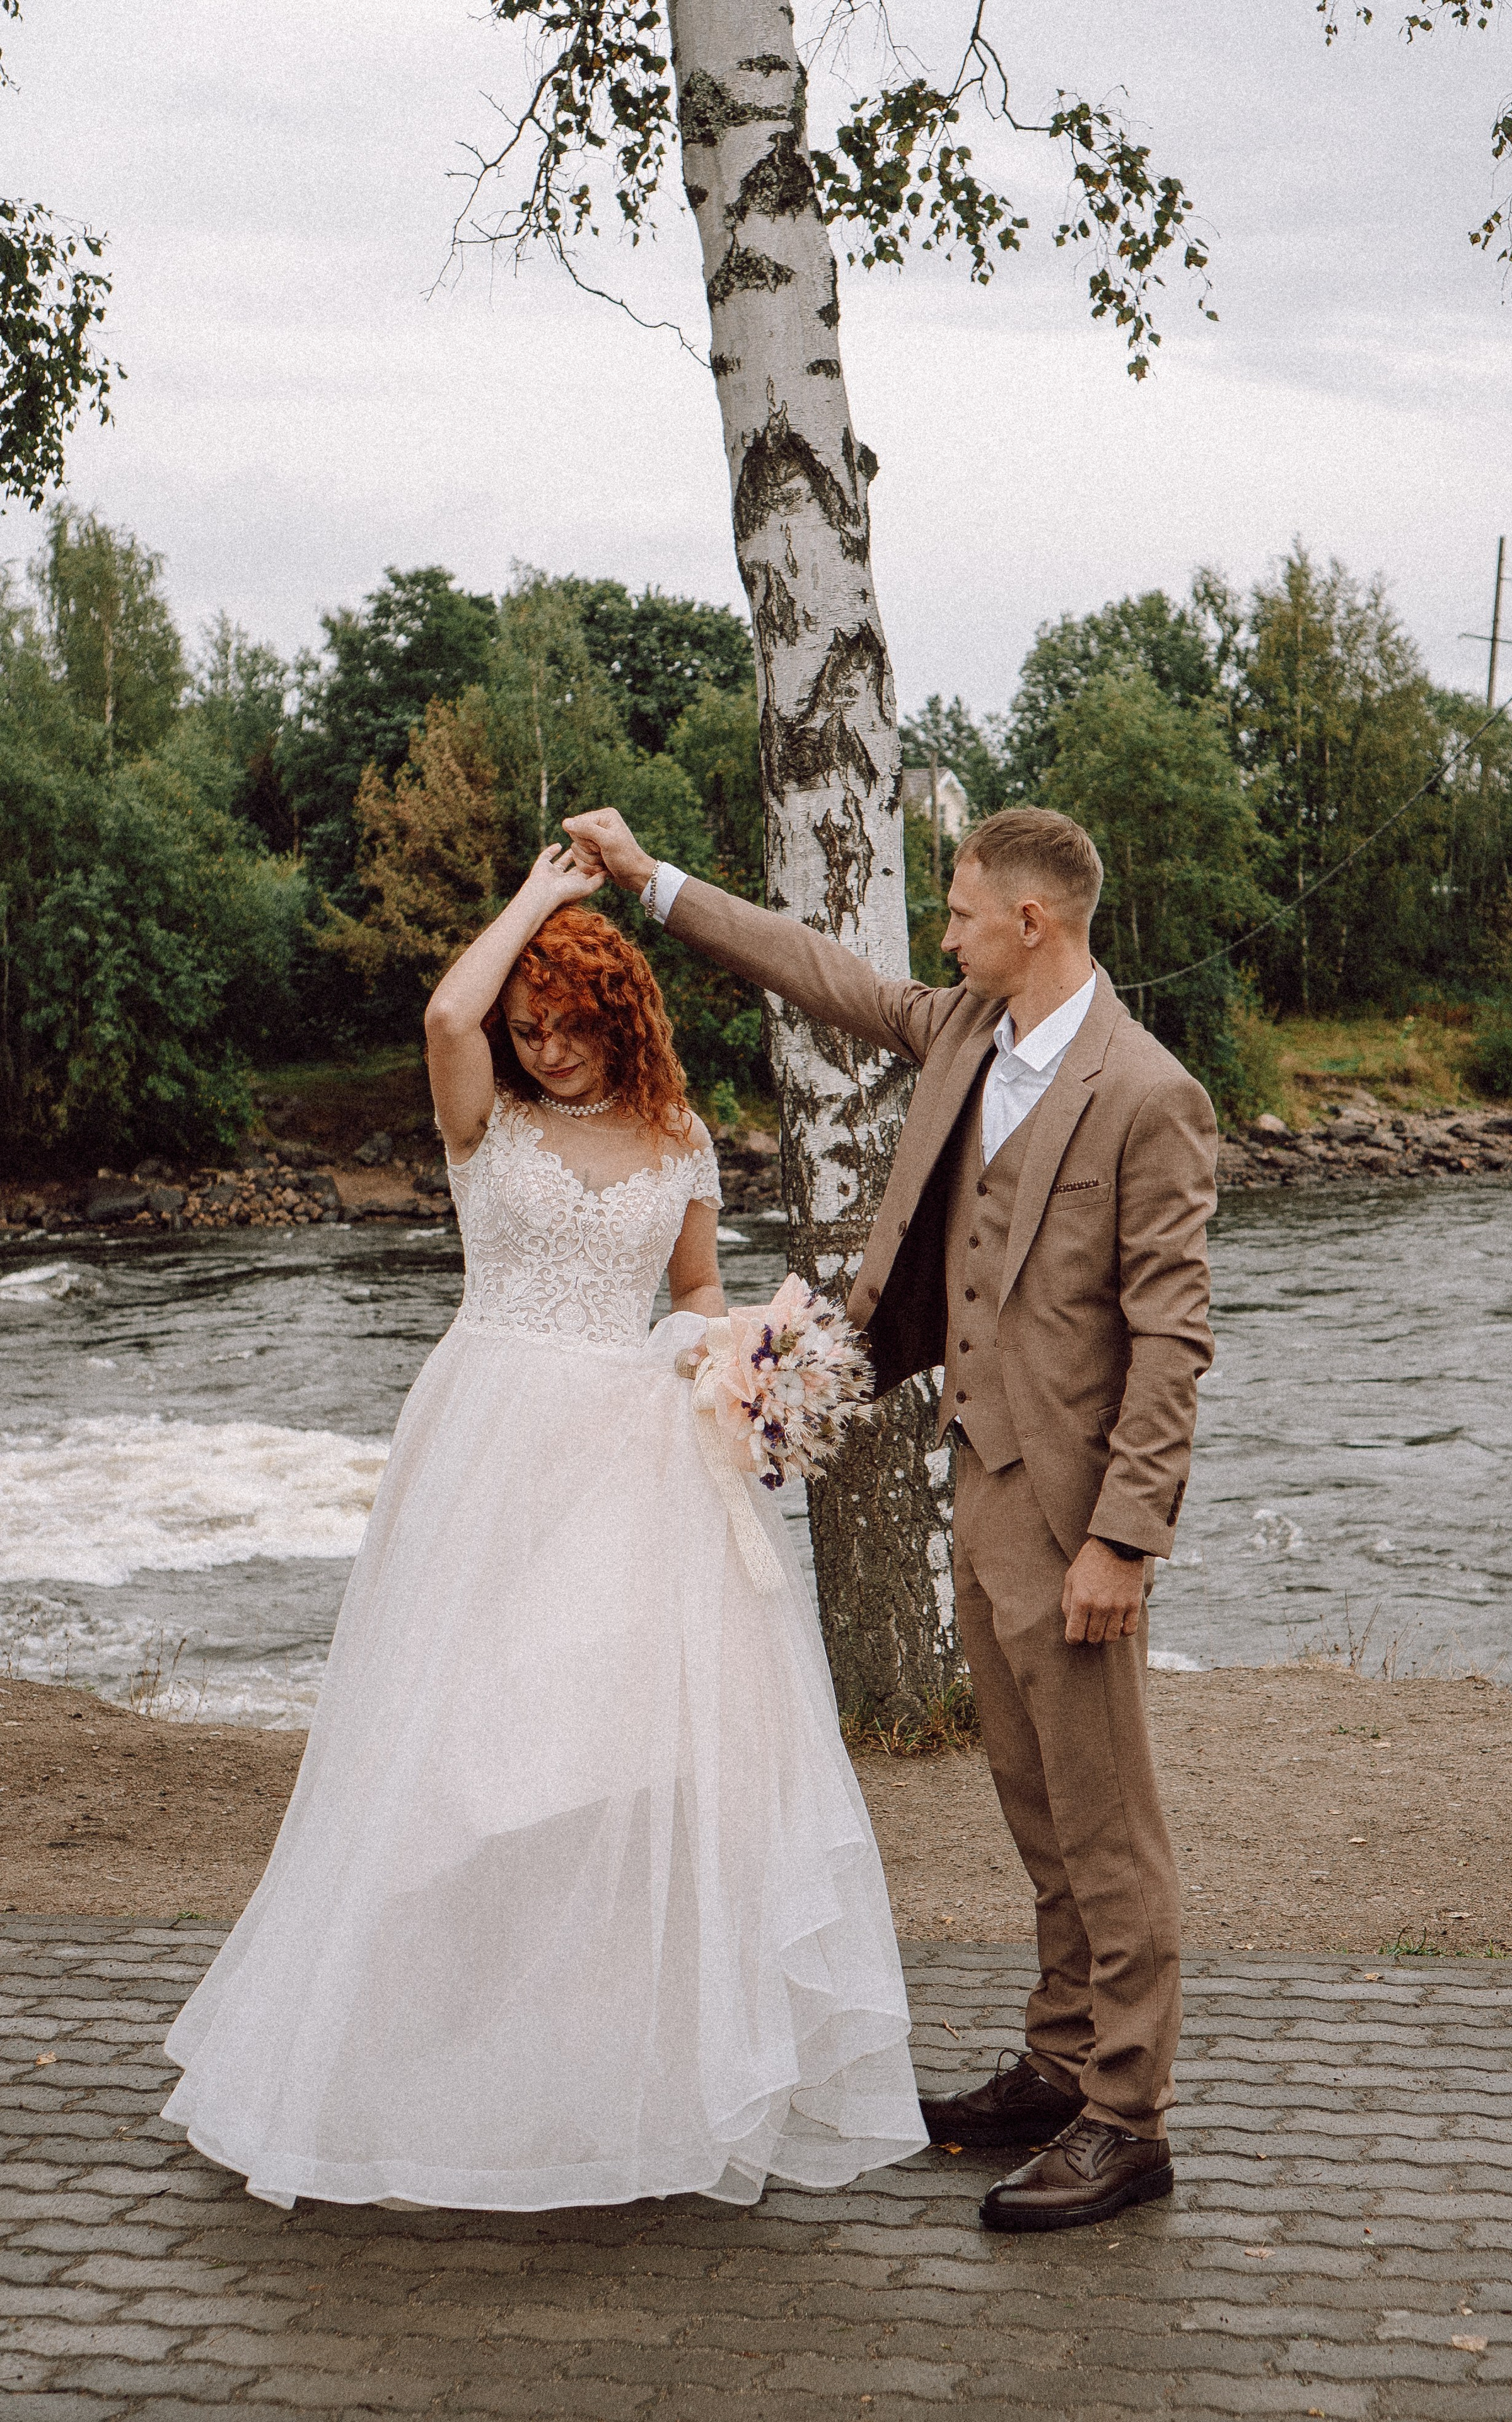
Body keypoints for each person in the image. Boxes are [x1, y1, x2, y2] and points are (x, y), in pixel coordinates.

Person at [162, 845, 926, 2213]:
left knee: (601, 1753)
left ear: (621, 1019)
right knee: (450, 1748)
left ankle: (586, 2066)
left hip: (622, 1456)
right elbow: (446, 1019)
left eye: (571, 1025)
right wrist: (540, 901)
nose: (549, 1048)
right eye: (535, 1029)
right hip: (486, 1440)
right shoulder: (484, 1121)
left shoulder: (680, 1141)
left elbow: (689, 1288)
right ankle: (404, 2057)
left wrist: (751, 1355)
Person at [564, 804, 1218, 2234]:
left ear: (1032, 924)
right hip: (977, 1477)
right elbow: (818, 970)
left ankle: (1128, 2116)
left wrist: (1122, 1538)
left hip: (1073, 1513)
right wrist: (650, 879)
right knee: (1035, 1803)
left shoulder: (1146, 1094)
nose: (943, 932)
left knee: (1108, 1824)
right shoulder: (966, 1034)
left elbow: (1170, 1341)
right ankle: (1057, 2065)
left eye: (964, 909)